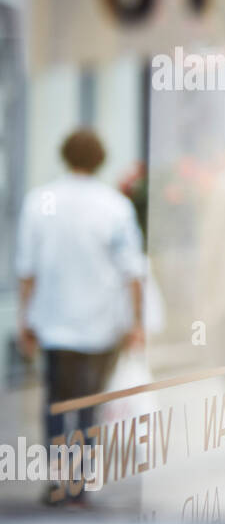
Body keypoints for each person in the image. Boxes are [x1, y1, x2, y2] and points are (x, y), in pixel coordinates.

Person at [15, 128, 146, 501]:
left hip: (54, 322)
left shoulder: (40, 201)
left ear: (64, 155)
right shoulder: (114, 206)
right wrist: (136, 322)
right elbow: (132, 271)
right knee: (89, 405)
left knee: (55, 401)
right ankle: (81, 484)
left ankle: (58, 480)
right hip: (100, 324)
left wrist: (25, 319)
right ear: (100, 158)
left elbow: (27, 270)